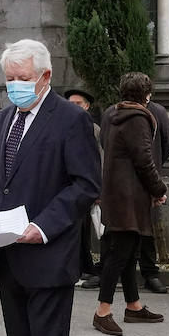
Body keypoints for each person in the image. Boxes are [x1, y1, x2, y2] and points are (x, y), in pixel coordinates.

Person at [0, 40, 100, 336]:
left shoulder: (70, 119)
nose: (15, 85)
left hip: (48, 257)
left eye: (23, 78)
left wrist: (43, 225)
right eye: (9, 79)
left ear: (45, 77)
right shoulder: (3, 119)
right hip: (7, 255)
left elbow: (85, 184)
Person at [91, 73, 168, 336]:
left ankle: (133, 306)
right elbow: (144, 160)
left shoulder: (113, 115)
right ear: (147, 95)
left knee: (128, 250)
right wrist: (158, 189)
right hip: (130, 195)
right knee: (120, 253)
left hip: (115, 192)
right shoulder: (138, 118)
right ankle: (103, 311)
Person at [95, 95, 169, 293]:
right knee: (123, 247)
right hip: (130, 185)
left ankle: (137, 299)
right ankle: (104, 308)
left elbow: (167, 142)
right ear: (147, 94)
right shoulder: (126, 115)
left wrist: (153, 169)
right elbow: (108, 142)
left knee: (133, 243)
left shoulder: (155, 113)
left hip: (137, 182)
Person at [64, 88, 102, 282]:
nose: (73, 107)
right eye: (70, 103)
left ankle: (85, 265)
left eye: (77, 104)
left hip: (82, 188)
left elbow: (97, 159)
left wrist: (97, 188)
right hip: (65, 188)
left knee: (83, 229)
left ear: (86, 106)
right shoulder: (61, 126)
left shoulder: (92, 129)